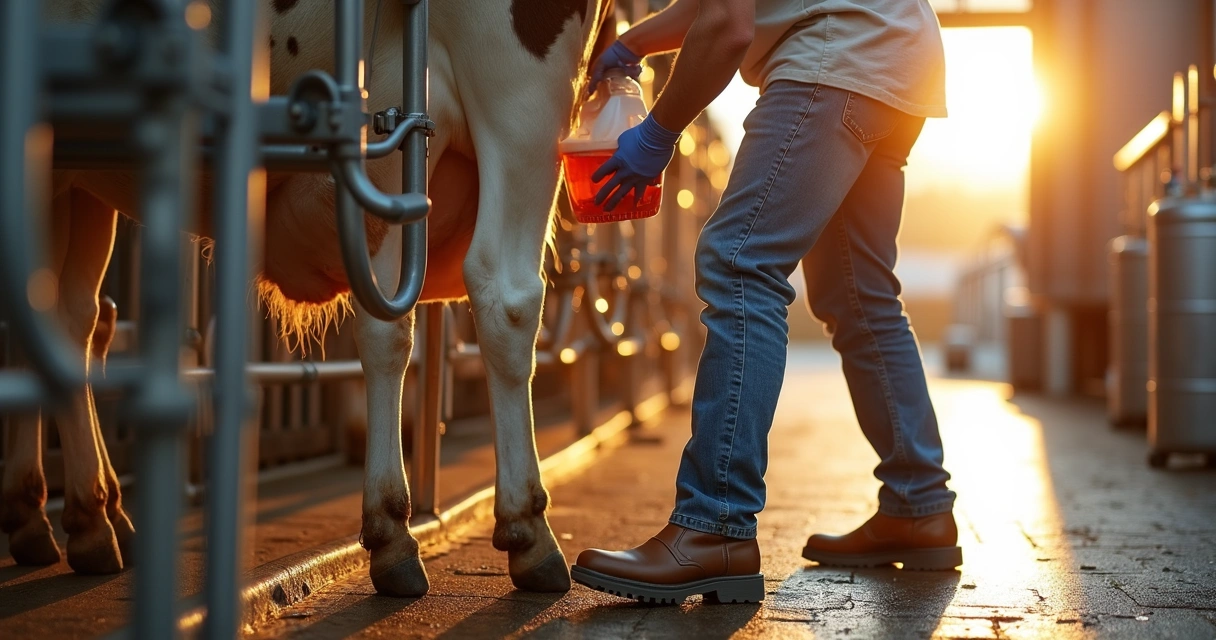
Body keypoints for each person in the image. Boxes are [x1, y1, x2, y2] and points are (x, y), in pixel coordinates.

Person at [572, 0, 961, 604]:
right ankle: (920, 506)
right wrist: (634, 43)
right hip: (895, 60)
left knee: (739, 263)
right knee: (860, 297)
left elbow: (728, 24)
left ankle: (715, 525)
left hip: (834, 61)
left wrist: (657, 133)